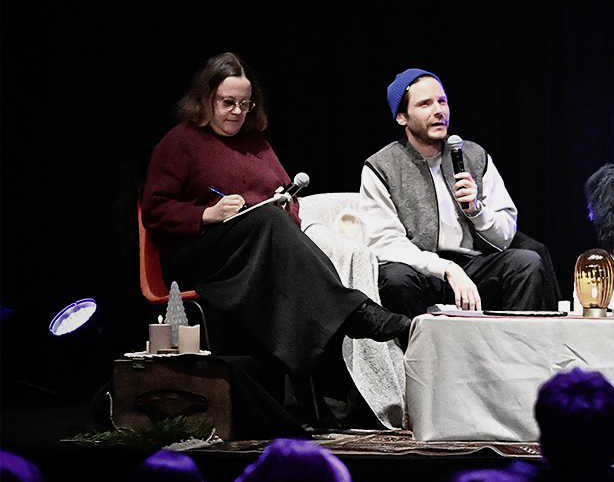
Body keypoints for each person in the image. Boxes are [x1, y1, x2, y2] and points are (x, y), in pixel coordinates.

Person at [142, 51, 409, 383]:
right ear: (205, 98)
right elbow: (155, 210)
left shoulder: (257, 146)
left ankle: (320, 370)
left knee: (275, 224)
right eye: (228, 103)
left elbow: (288, 195)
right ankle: (355, 312)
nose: (237, 112)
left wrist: (287, 207)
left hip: (254, 254)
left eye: (245, 103)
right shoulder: (180, 142)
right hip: (200, 255)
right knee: (266, 222)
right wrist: (206, 213)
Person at [360, 67, 558, 316]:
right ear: (402, 117)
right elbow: (384, 242)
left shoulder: (474, 156)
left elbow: (506, 234)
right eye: (425, 104)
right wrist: (446, 268)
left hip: (475, 266)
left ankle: (517, 352)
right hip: (422, 271)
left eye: (442, 101)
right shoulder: (381, 167)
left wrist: (477, 210)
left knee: (526, 263)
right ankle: (420, 353)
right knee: (395, 279)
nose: (438, 111)